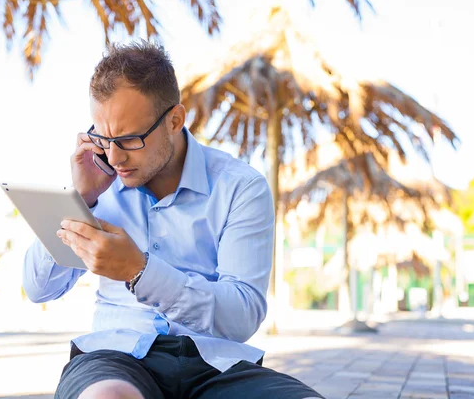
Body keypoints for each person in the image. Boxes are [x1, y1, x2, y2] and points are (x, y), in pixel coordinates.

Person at [23, 40, 324, 399]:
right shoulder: (97, 186)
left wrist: (140, 271)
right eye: (104, 138)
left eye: (129, 139)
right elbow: (39, 287)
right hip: (116, 357)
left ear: (175, 120)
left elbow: (243, 315)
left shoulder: (240, 187)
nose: (115, 157)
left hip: (216, 365)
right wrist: (80, 199)